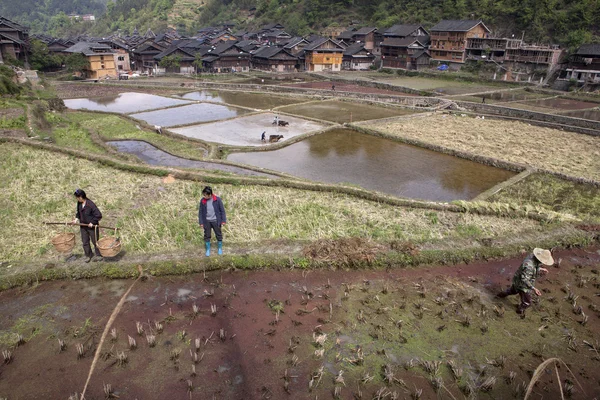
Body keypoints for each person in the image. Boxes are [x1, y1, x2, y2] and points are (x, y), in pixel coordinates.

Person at [498, 248, 554, 315]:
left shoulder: (532, 257)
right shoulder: (529, 266)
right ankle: (519, 310)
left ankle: (499, 296)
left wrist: (540, 269)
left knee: (512, 290)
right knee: (527, 302)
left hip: (517, 280)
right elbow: (524, 279)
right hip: (523, 285)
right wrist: (534, 289)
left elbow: (533, 267)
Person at [70, 189, 103, 263]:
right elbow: (78, 212)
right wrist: (76, 220)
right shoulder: (79, 203)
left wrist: (92, 222)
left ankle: (98, 255)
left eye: (77, 197)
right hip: (83, 226)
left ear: (81, 197)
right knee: (85, 241)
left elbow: (99, 215)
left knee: (95, 241)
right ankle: (88, 255)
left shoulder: (90, 204)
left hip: (92, 227)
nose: (77, 199)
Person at [198, 186, 226, 257]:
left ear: (210, 194)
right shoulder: (202, 201)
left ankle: (219, 248)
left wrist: (223, 220)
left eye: (205, 195)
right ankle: (208, 249)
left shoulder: (217, 200)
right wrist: (201, 222)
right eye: (203, 195)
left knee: (218, 234)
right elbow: (200, 212)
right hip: (207, 221)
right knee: (207, 235)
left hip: (216, 221)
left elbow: (222, 211)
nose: (204, 196)